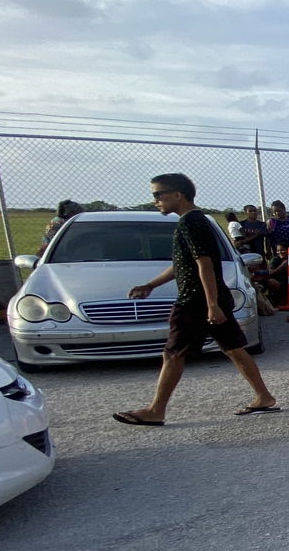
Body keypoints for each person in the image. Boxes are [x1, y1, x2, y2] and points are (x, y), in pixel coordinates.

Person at [112, 173, 278, 426]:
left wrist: (211, 305)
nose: (155, 200)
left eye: (158, 194)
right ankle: (264, 397)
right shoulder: (194, 221)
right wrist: (151, 285)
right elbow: (183, 264)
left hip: (195, 301)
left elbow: (205, 264)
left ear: (177, 194)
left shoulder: (190, 223)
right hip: (209, 299)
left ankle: (156, 410)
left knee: (173, 354)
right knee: (233, 348)